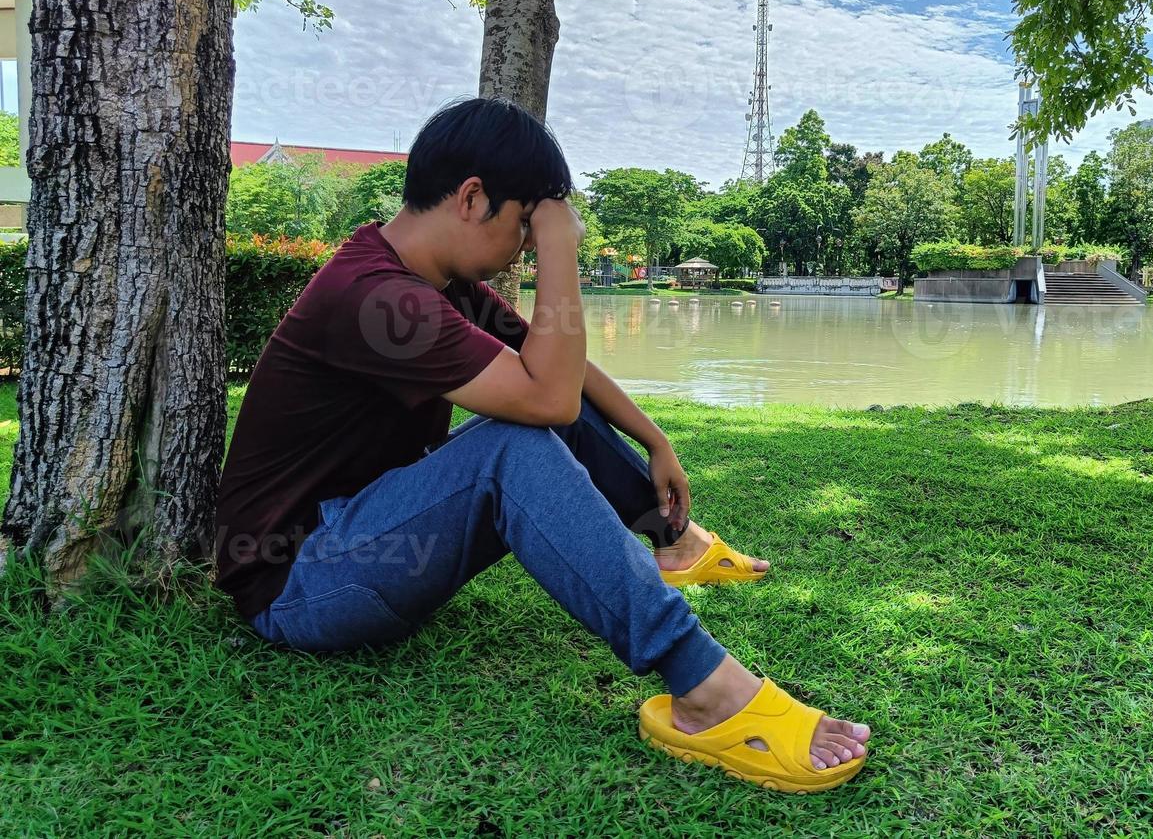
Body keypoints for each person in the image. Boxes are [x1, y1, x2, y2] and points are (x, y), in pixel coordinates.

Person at [214, 97, 869, 792]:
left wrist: (653, 438)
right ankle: (705, 687)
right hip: (298, 587)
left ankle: (669, 541)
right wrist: (562, 246)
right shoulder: (377, 299)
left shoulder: (433, 282)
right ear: (473, 199)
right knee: (511, 443)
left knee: (530, 409)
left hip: (361, 540)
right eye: (524, 229)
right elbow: (547, 397)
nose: (526, 249)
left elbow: (554, 362)